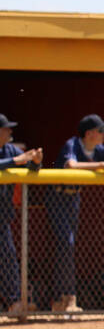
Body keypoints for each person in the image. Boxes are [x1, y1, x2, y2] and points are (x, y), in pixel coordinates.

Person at [54, 114, 104, 313]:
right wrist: (99, 165)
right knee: (66, 244)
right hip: (58, 197)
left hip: (74, 198)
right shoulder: (72, 144)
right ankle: (66, 298)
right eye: (100, 130)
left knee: (68, 246)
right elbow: (71, 165)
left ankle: (63, 298)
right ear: (89, 134)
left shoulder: (98, 149)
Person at [0, 114, 42, 313]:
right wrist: (16, 160)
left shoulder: (9, 149)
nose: (9, 132)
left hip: (2, 218)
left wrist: (36, 162)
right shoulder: (12, 154)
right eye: (5, 128)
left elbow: (30, 168)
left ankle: (15, 301)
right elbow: (17, 160)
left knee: (8, 259)